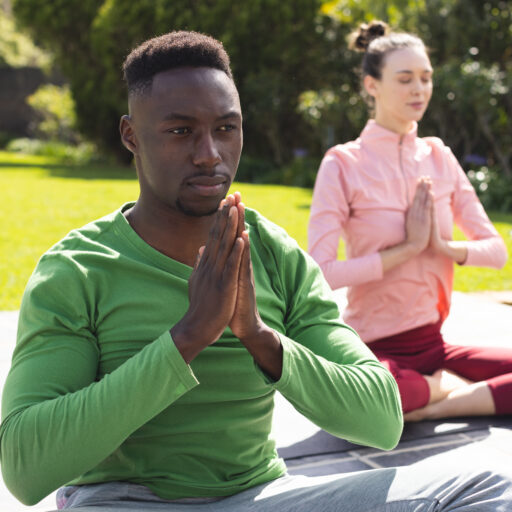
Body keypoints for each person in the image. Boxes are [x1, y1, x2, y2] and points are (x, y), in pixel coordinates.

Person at [1, 30, 511, 512]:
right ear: (131, 136)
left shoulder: (272, 254)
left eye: (226, 128)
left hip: (261, 496)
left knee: (488, 487)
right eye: (181, 131)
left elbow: (380, 420)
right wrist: (187, 338)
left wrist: (260, 337)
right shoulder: (79, 269)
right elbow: (26, 469)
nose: (210, 155)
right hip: (125, 500)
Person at [308, 20, 511, 423]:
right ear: (372, 85)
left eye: (425, 78)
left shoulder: (439, 157)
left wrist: (442, 247)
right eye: (405, 79)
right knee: (370, 396)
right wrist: (406, 251)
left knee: (392, 401)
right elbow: (321, 273)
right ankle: (434, 389)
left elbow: (497, 252)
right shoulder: (343, 164)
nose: (419, 89)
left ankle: (429, 403)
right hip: (372, 349)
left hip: (433, 345)